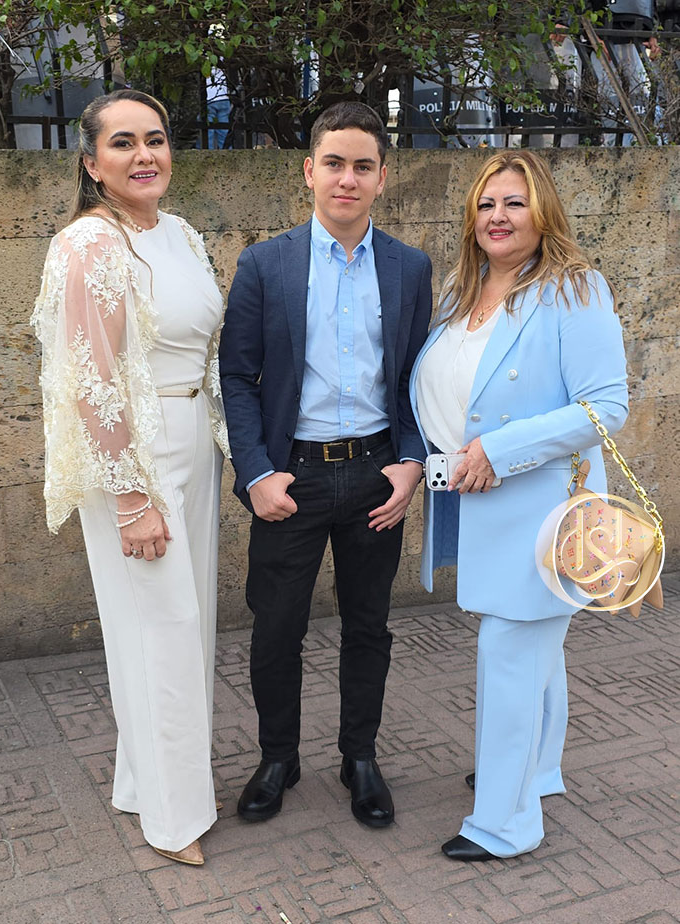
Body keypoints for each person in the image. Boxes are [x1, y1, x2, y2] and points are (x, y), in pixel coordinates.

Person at [409, 150, 628, 860]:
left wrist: (500, 450)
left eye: (513, 202)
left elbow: (605, 407)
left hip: (539, 505)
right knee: (536, 651)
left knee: (510, 654)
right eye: (485, 204)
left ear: (543, 211)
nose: (497, 217)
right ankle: (536, 771)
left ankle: (505, 824)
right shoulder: (462, 289)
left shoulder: (574, 288)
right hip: (477, 500)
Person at [219, 101, 431, 828]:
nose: (348, 179)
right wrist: (256, 472)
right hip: (293, 478)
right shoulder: (265, 263)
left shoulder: (409, 267)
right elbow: (236, 376)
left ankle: (359, 758)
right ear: (309, 171)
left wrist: (412, 460)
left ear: (382, 178)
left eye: (363, 166)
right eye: (334, 163)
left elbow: (418, 379)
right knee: (276, 628)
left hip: (376, 475)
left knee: (369, 626)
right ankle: (278, 757)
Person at [31, 89, 228, 866]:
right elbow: (92, 379)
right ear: (91, 163)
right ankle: (174, 821)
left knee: (186, 628)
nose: (144, 155)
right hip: (137, 458)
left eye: (155, 138)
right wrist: (131, 497)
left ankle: (147, 784)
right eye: (123, 143)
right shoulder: (89, 244)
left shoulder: (180, 233)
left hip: (194, 444)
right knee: (161, 632)